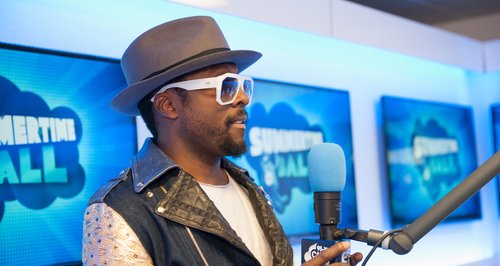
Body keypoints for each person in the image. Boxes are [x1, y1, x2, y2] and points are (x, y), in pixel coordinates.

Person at [82, 16, 362, 266]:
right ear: (168, 105)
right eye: (225, 87)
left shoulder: (250, 188)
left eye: (243, 86)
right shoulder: (118, 210)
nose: (242, 98)